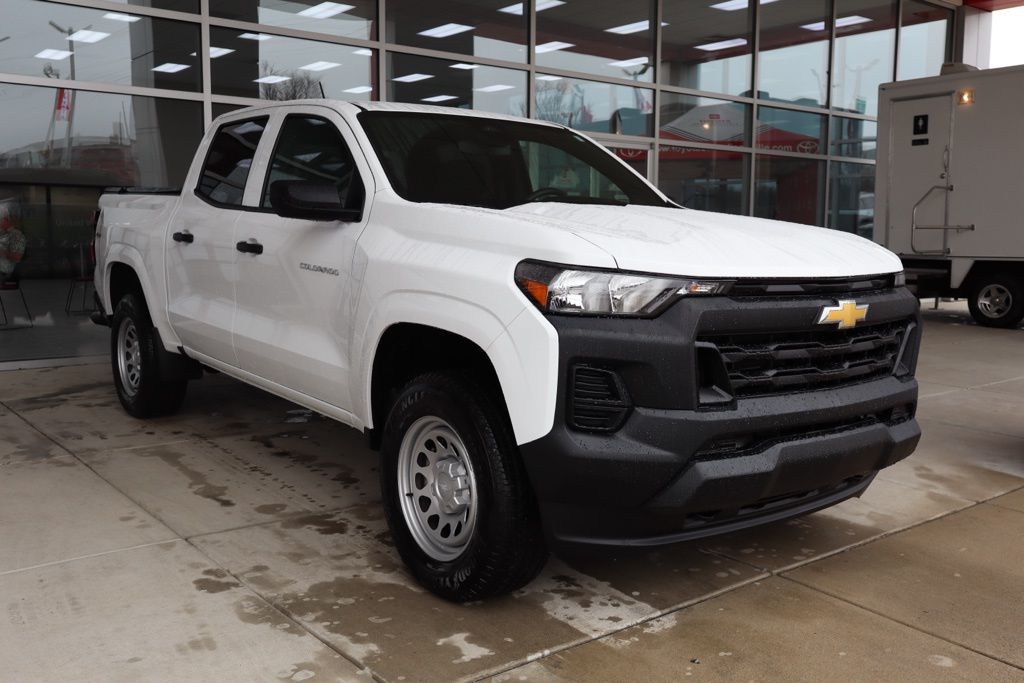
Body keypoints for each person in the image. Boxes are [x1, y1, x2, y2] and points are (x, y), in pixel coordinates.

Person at [0, 205, 27, 280]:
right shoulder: (2, 234)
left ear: (5, 220)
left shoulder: (16, 235)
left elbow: (17, 257)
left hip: (3, 273)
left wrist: (2, 253)